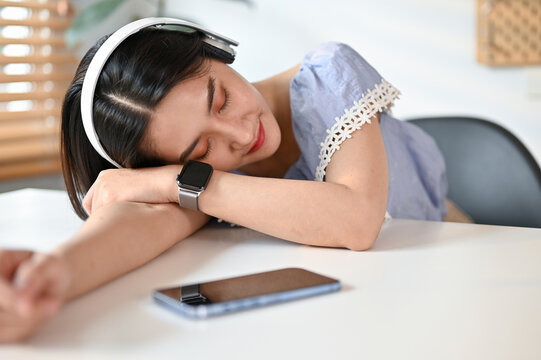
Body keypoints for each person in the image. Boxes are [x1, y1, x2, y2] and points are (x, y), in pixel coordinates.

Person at [0, 18, 452, 342]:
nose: (240, 135)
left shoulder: (327, 74)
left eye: (220, 100)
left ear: (215, 50)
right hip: (373, 313)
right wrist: (51, 275)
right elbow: (136, 225)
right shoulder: (200, 179)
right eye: (198, 151)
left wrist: (183, 176)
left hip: (452, 246)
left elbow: (357, 221)